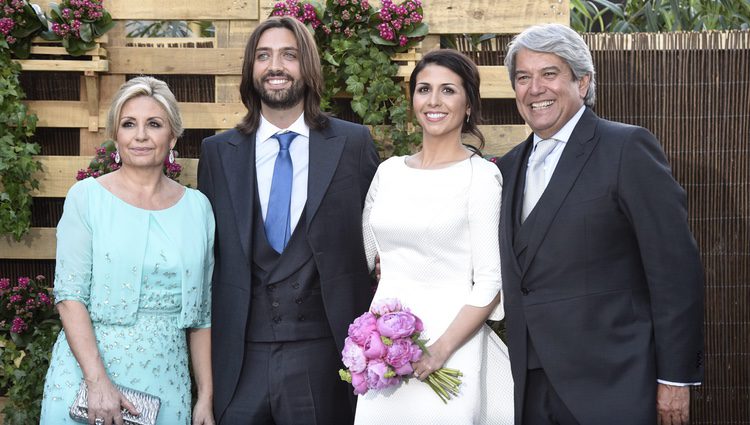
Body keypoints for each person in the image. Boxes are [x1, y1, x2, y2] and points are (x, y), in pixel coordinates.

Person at [495, 23, 705, 425]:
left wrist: (675, 378)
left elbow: (675, 270)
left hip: (614, 383)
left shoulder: (627, 148)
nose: (535, 88)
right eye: (523, 77)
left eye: (549, 74)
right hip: (527, 383)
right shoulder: (505, 168)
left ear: (583, 81)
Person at [197, 16, 379, 425]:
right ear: (250, 69)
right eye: (263, 56)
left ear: (308, 67)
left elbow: (381, 233)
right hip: (240, 358)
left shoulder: (353, 145)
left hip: (326, 357)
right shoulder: (216, 153)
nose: (275, 66)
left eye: (288, 55)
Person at [40, 76, 216, 425]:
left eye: (154, 124)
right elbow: (69, 298)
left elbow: (202, 315)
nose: (140, 135)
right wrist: (98, 383)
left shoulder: (198, 208)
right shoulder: (86, 198)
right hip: (87, 382)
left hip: (167, 385)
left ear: (173, 135)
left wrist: (206, 397)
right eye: (128, 124)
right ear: (116, 136)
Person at [355, 49, 514, 425]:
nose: (434, 101)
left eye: (448, 90)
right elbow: (368, 251)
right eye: (424, 89)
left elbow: (490, 281)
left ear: (469, 105)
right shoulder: (389, 172)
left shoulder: (481, 178)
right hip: (384, 350)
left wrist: (438, 352)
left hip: (451, 346)